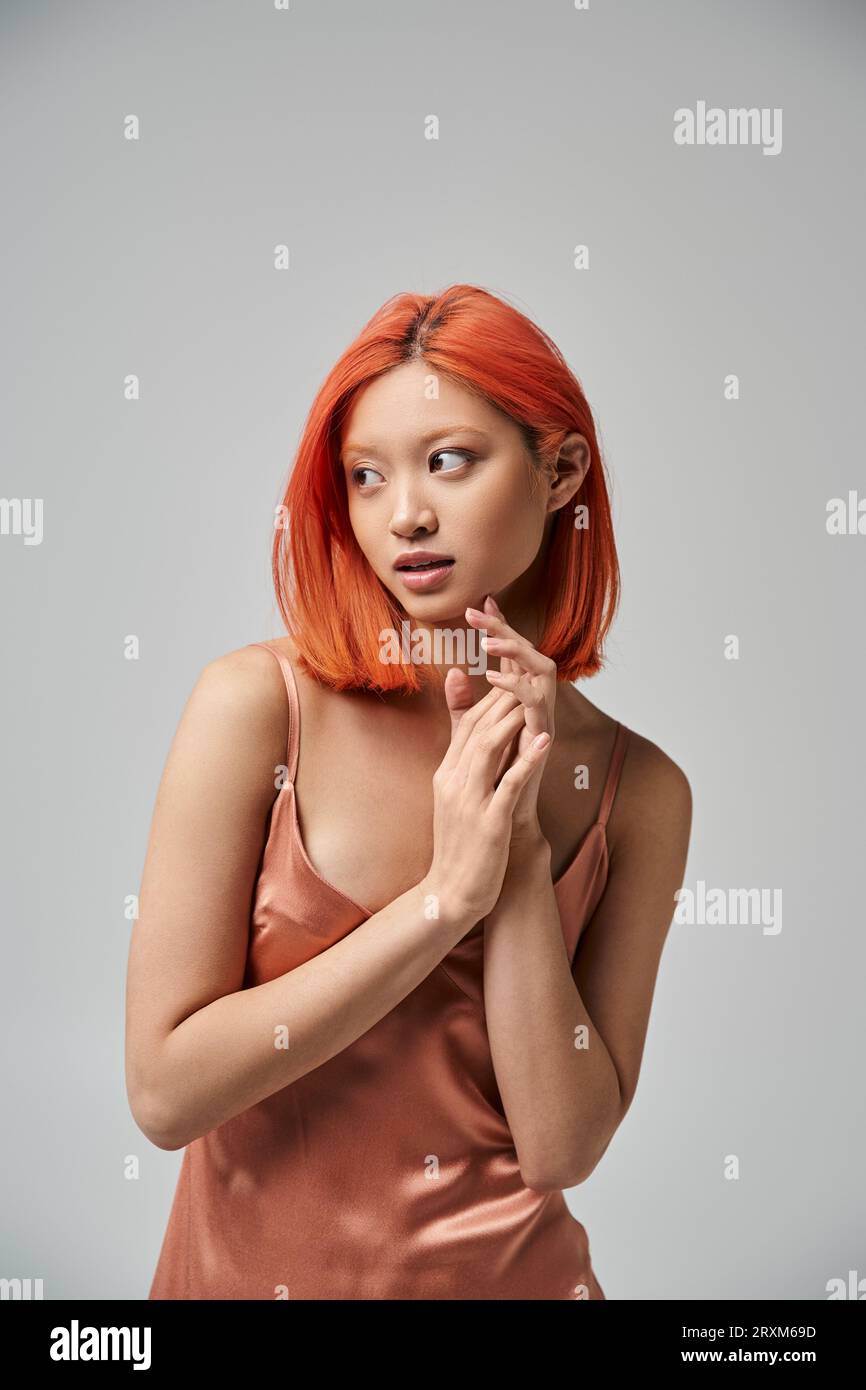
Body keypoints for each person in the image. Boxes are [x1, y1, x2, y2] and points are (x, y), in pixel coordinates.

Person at [126, 284, 692, 1300]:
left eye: (448, 460)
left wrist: (514, 849)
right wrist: (442, 903)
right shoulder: (256, 706)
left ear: (560, 469)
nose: (406, 514)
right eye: (365, 476)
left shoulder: (637, 789)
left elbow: (560, 1146)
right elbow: (166, 1093)